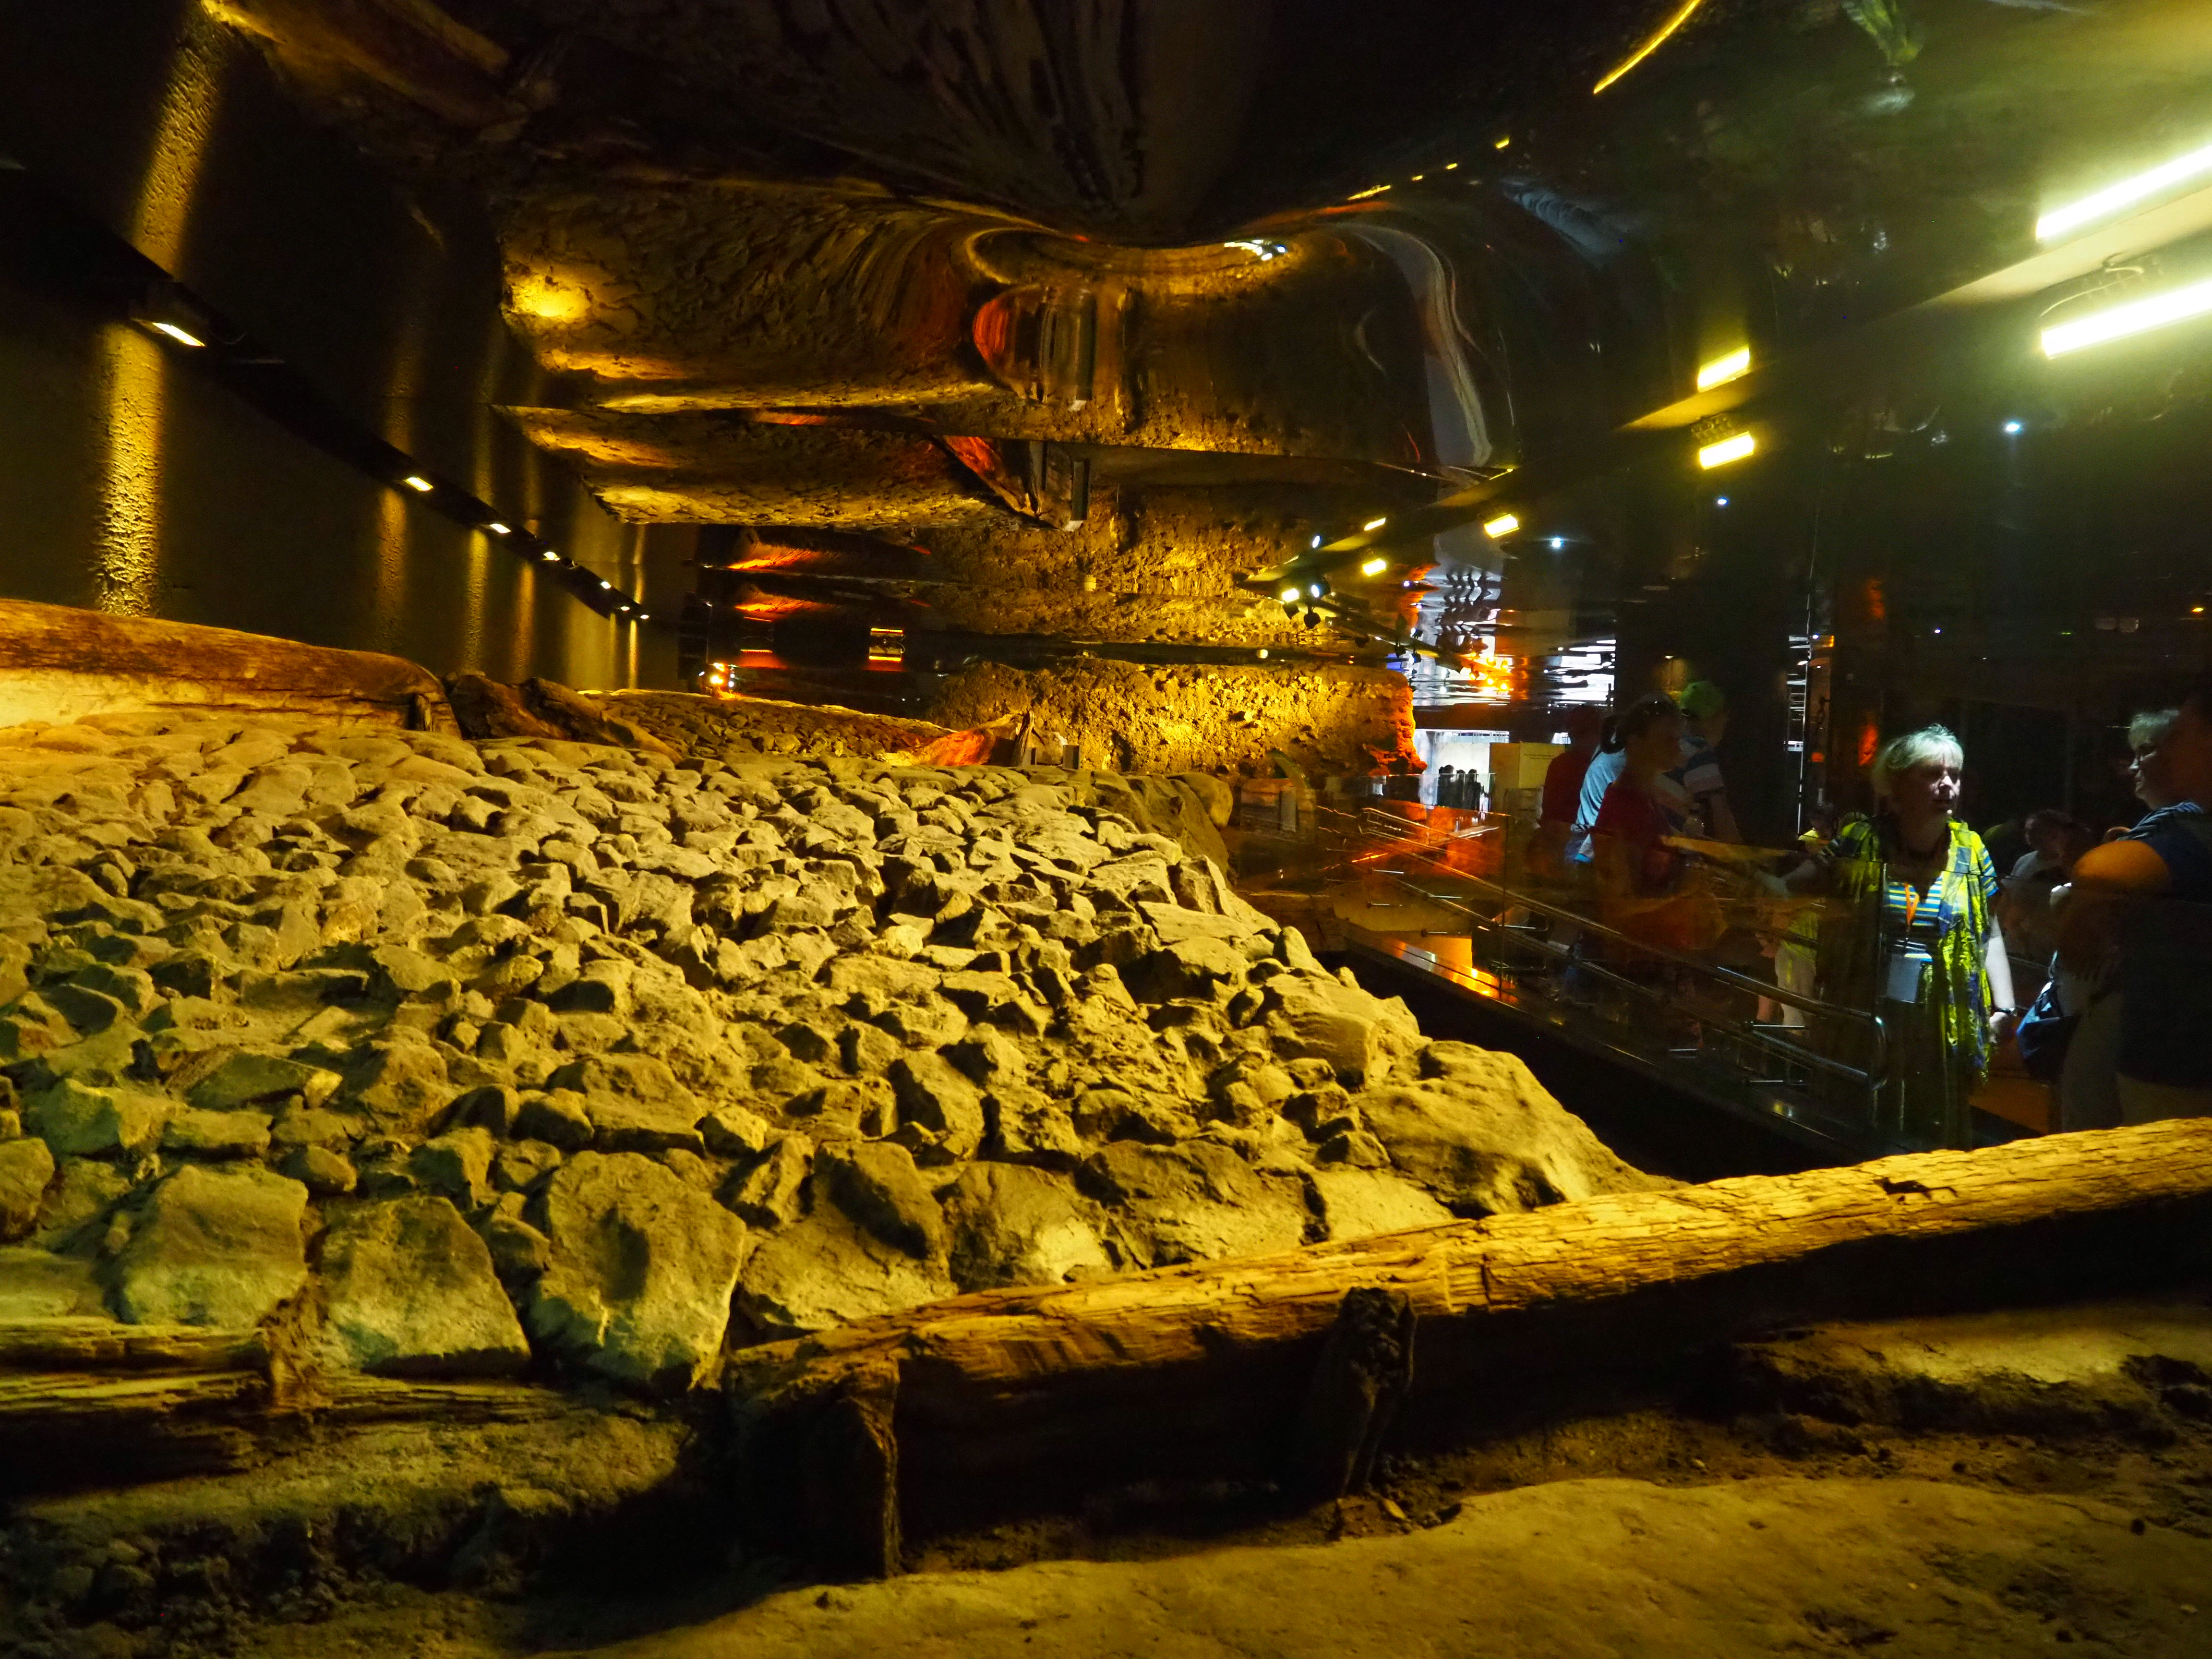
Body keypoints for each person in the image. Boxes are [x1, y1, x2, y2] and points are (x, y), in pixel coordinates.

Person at [1794, 724, 2018, 1147]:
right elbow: (1795, 885)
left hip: (1940, 1017)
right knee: (1858, 1120)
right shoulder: (1862, 840)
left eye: (1955, 775)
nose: (1947, 785)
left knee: (1932, 1126)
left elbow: (1988, 931)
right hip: (1868, 1007)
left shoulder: (1971, 849)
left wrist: (2005, 1006)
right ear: (1896, 785)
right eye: (1932, 774)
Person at [2058, 680, 2212, 1123]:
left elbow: (2098, 871)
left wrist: (2083, 908)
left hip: (2178, 1058)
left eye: (2179, 736)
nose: (2168, 750)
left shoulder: (2193, 826)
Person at [1668, 681, 1740, 843]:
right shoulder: (1698, 751)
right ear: (1714, 719)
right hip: (1667, 850)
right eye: (1724, 718)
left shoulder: (1669, 745)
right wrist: (1740, 854)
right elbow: (1722, 818)